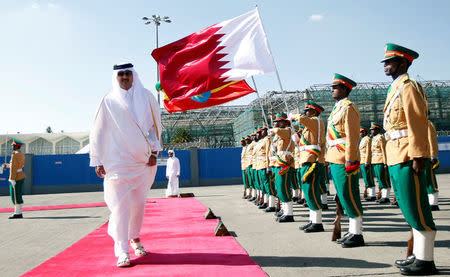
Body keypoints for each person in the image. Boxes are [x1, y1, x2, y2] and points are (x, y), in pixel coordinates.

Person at [89, 62, 162, 267]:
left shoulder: (147, 97)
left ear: (134, 75)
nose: (124, 77)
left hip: (142, 161)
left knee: (138, 205)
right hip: (117, 162)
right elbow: (98, 131)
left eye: (128, 73)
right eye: (120, 74)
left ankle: (135, 237)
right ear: (116, 76)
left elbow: (155, 127)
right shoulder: (108, 101)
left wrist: (155, 152)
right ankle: (122, 249)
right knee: (120, 206)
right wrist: (97, 159)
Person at [382, 44, 437, 275]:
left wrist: (418, 155)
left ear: (403, 64)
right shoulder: (395, 88)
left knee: (417, 208)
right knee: (407, 206)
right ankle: (417, 253)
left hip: (407, 154)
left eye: (390, 62)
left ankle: (426, 261)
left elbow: (416, 122)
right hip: (395, 154)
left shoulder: (408, 86)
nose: (386, 66)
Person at [325, 73, 365, 248]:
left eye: (335, 87)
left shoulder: (349, 108)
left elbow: (352, 136)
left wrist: (351, 158)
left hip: (344, 157)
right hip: (335, 156)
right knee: (342, 194)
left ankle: (357, 234)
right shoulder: (337, 109)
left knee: (349, 194)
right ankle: (352, 231)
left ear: (344, 89)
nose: (332, 90)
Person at [290, 100, 326, 233]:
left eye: (308, 111)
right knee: (308, 191)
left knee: (312, 191)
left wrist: (293, 116)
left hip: (313, 160)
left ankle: (318, 223)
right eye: (305, 111)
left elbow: (302, 119)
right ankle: (313, 220)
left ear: (315, 112)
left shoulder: (316, 120)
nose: (305, 113)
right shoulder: (309, 125)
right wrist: (297, 139)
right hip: (306, 160)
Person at [270, 112, 295, 223]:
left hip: (284, 161)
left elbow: (278, 131)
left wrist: (272, 129)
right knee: (280, 188)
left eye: (279, 121)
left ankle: (289, 214)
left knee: (284, 187)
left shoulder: (287, 131)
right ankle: (285, 212)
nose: (276, 123)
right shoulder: (280, 135)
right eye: (276, 122)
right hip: (278, 161)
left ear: (285, 122)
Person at [2, 139, 26, 219]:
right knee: (18, 194)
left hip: (16, 177)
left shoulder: (15, 155)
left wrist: (12, 179)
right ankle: (19, 212)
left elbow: (14, 168)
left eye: (13, 145)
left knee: (15, 196)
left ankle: (17, 213)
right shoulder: (21, 154)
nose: (12, 146)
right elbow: (17, 166)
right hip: (20, 175)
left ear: (16, 146)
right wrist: (8, 165)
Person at [370, 122, 391, 204]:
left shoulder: (381, 138)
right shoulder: (374, 139)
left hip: (381, 160)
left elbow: (384, 150)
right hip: (375, 160)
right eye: (371, 130)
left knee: (383, 178)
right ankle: (383, 195)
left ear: (377, 130)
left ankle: (386, 197)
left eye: (373, 130)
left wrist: (385, 162)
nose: (372, 131)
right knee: (379, 179)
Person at [426, 120, 439, 211]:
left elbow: (432, 140)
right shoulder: (416, 123)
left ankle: (434, 203)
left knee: (430, 180)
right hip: (418, 155)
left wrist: (433, 155)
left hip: (427, 156)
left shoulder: (428, 124)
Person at [359, 127, 375, 201]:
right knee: (366, 178)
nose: (359, 134)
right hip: (362, 161)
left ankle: (372, 194)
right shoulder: (362, 140)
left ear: (364, 132)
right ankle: (369, 193)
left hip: (365, 161)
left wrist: (367, 161)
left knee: (369, 177)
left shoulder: (368, 139)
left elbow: (368, 151)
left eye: (361, 132)